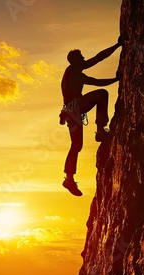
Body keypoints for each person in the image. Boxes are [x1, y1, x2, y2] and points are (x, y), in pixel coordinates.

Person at [59, 37, 122, 196]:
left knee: (76, 146)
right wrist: (115, 78)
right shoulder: (74, 71)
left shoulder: (71, 73)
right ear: (75, 61)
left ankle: (69, 179)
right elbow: (97, 66)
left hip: (70, 112)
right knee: (102, 94)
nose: (84, 60)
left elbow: (96, 61)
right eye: (81, 58)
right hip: (75, 108)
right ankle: (100, 129)